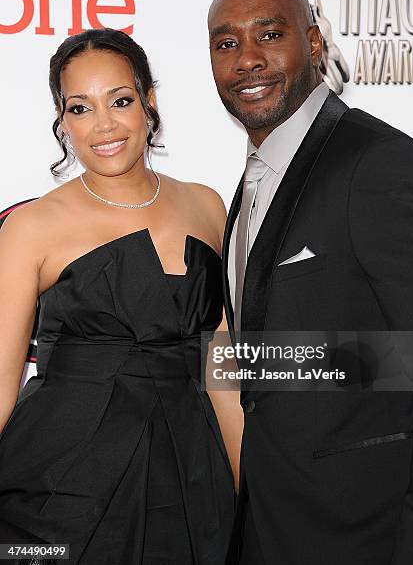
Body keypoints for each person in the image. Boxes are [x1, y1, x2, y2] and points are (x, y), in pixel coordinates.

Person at [208, 0, 413, 565]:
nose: (247, 59)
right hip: (275, 523)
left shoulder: (378, 165)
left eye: (269, 34)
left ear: (315, 43)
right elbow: (311, 357)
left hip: (370, 533)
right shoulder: (250, 183)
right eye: (225, 43)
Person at [0, 28, 243, 564]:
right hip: (66, 483)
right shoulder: (31, 227)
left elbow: (222, 364)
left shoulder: (207, 207)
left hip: (191, 474)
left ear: (149, 103)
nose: (103, 126)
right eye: (80, 108)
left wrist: (253, 490)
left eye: (121, 101)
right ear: (62, 120)